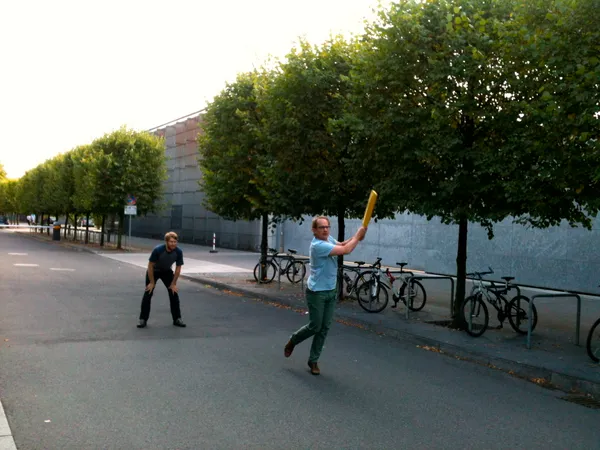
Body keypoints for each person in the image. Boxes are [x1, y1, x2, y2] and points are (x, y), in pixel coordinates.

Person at [284, 216, 367, 375]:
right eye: (321, 227)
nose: (325, 229)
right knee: (315, 326)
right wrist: (357, 236)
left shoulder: (328, 239)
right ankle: (293, 340)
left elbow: (342, 244)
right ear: (314, 230)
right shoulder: (318, 245)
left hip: (331, 290)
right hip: (317, 292)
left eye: (327, 226)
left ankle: (313, 360)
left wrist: (358, 236)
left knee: (324, 328)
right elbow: (345, 250)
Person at [137, 231, 187, 328]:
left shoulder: (178, 252)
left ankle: (177, 318)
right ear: (166, 242)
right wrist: (152, 282)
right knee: (148, 292)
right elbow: (150, 266)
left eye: (175, 242)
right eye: (171, 242)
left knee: (174, 293)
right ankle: (143, 319)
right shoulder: (158, 250)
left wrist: (173, 284)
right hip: (154, 271)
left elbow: (178, 269)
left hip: (166, 271)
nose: (173, 244)